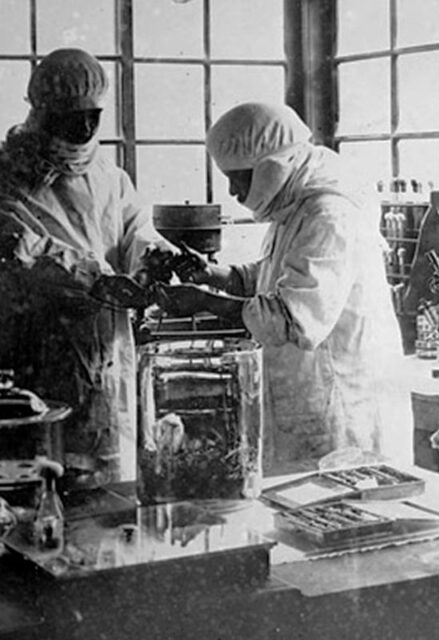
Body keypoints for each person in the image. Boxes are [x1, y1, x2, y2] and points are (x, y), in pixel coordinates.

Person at [163, 102, 413, 473]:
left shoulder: (329, 215)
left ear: (270, 168)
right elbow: (274, 277)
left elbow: (292, 316)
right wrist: (215, 275)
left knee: (336, 512)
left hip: (343, 411)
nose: (233, 192)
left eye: (238, 178)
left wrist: (205, 302)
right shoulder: (296, 204)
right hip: (312, 398)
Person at [0, 48, 177, 483]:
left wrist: (152, 257)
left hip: (109, 347)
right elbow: (24, 248)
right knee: (42, 476)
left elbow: (137, 228)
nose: (83, 129)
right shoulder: (8, 175)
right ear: (42, 110)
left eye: (93, 117)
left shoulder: (108, 177)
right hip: (36, 350)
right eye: (70, 118)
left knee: (108, 480)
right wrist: (95, 279)